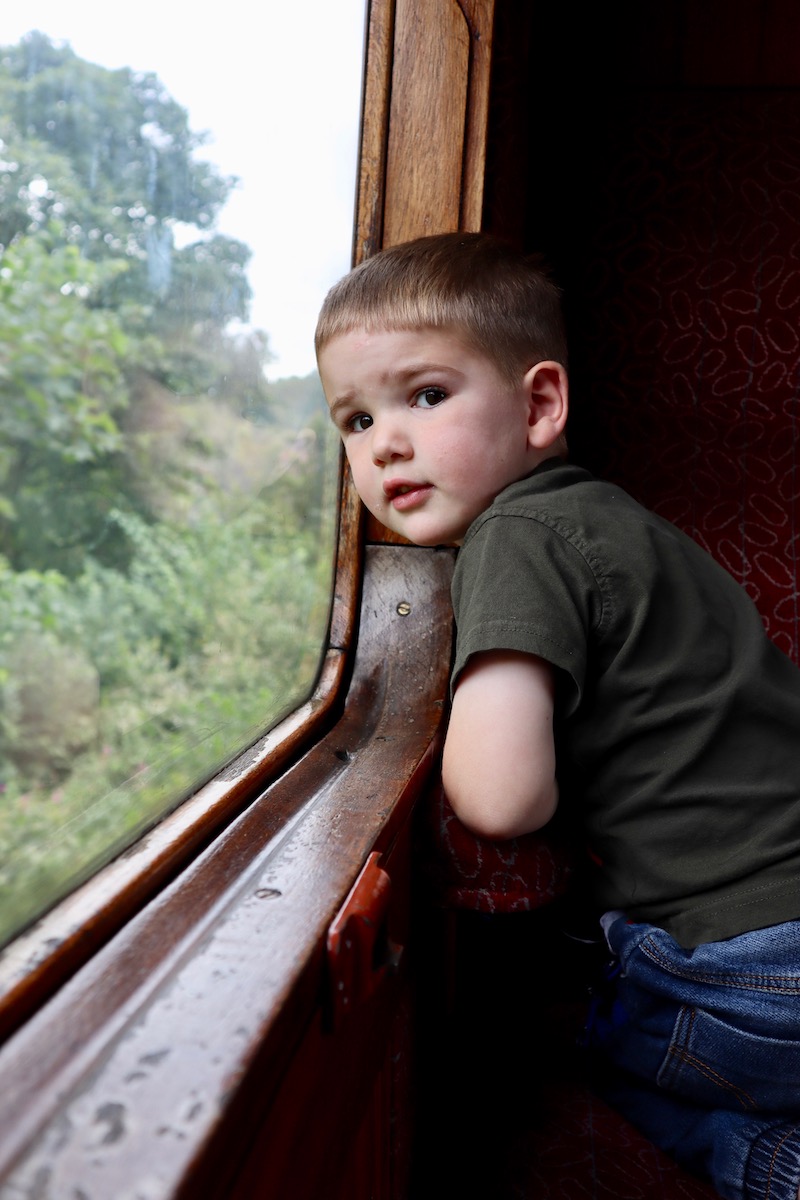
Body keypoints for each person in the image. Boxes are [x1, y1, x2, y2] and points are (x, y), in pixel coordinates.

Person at [314, 231, 800, 1200]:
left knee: (583, 1049)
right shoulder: (616, 520)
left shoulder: (516, 538)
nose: (385, 444)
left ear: (539, 404)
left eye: (425, 395)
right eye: (355, 420)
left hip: (752, 967)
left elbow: (501, 800)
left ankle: (769, 1164)